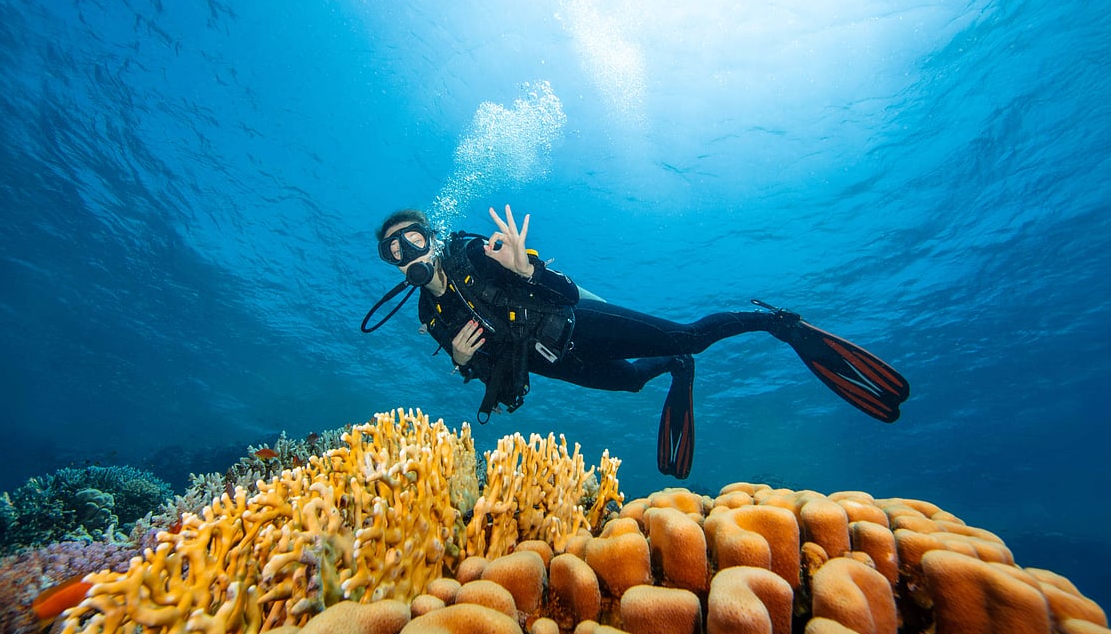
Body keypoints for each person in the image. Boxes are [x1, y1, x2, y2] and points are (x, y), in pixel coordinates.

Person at [363, 205, 909, 478]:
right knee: (630, 384)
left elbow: (566, 292)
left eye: (411, 239)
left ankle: (779, 325)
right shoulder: (428, 314)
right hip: (556, 364)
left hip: (581, 324)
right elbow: (490, 376)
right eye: (394, 251)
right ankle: (675, 368)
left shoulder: (474, 253)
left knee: (691, 336)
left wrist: (528, 272)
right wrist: (463, 363)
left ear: (429, 237)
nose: (406, 252)